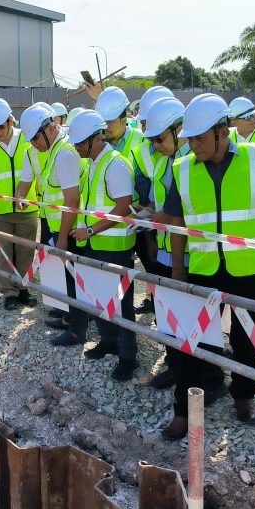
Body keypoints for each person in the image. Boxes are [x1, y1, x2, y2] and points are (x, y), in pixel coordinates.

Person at [161, 94, 255, 440]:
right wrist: (177, 270)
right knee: (194, 340)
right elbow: (177, 222)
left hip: (251, 268)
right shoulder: (182, 168)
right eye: (189, 138)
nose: (192, 144)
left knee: (247, 338)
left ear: (222, 131)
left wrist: (248, 236)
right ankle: (184, 411)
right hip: (203, 267)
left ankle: (244, 396)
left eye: (199, 137)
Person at [66, 110, 138, 380]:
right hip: (96, 242)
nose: (77, 148)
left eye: (80, 143)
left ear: (97, 138)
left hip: (114, 246)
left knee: (123, 302)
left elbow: (122, 208)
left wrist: (90, 230)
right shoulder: (96, 161)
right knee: (100, 295)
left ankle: (128, 356)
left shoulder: (115, 164)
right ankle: (109, 340)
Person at [15, 103, 86, 345]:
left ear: (50, 128)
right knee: (64, 275)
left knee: (74, 277)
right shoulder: (43, 150)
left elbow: (71, 200)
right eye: (31, 140)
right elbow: (26, 184)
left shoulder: (64, 154)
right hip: (54, 223)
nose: (34, 143)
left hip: (69, 227)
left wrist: (64, 236)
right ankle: (69, 317)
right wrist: (20, 197)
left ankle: (78, 329)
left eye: (35, 138)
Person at [141, 97, 192, 389]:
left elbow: (179, 215)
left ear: (178, 130)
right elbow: (161, 202)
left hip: (182, 255)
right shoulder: (167, 162)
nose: (156, 145)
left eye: (160, 139)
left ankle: (190, 373)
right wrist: (147, 211)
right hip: (164, 249)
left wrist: (176, 266)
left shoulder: (188, 164)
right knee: (167, 315)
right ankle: (174, 364)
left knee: (184, 317)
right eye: (153, 140)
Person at [0, 98, 39, 310]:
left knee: (25, 252)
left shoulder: (28, 139)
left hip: (27, 208)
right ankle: (8, 293)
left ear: (11, 120)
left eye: (0, 126)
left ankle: (23, 288)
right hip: (0, 212)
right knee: (2, 254)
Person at [98, 86, 156, 313]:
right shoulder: (101, 143)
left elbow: (152, 182)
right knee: (117, 276)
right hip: (112, 224)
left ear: (125, 118)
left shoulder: (140, 141)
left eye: (110, 123)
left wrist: (149, 222)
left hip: (139, 221)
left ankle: (156, 305)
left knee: (151, 267)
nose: (106, 128)